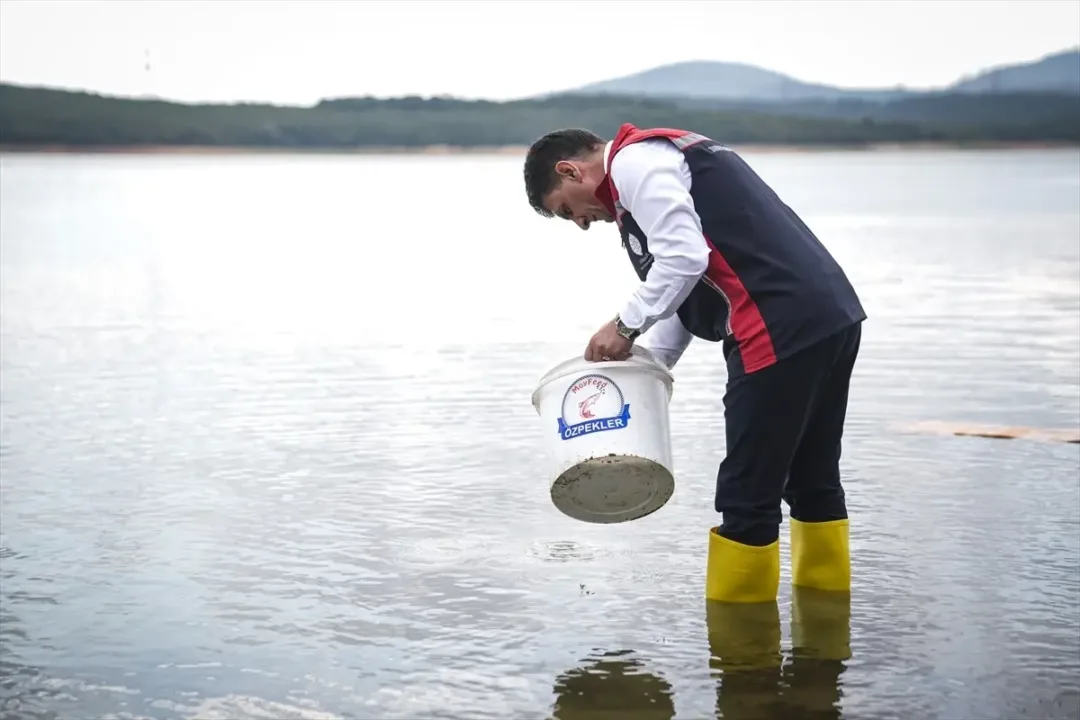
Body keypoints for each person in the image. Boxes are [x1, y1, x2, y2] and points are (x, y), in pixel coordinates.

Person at [522, 124, 866, 604]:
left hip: (775, 326)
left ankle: (740, 654)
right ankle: (827, 635)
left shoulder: (634, 164)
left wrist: (623, 326)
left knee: (747, 498)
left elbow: (684, 259)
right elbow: (686, 292)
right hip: (828, 315)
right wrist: (645, 369)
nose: (582, 223)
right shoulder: (649, 170)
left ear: (570, 170)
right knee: (812, 481)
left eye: (568, 211)